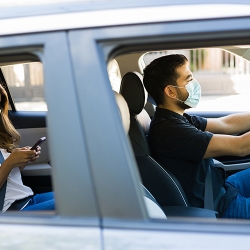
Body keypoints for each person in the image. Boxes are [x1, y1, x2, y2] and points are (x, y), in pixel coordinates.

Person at [143, 54, 250, 219]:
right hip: (220, 206)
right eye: (188, 79)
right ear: (170, 91)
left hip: (223, 188)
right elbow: (241, 147)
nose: (194, 84)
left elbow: (225, 124)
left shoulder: (176, 118)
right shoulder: (171, 132)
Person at [0, 84, 55, 212]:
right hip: (11, 210)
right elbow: (6, 166)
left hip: (26, 199)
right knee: (85, 202)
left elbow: (10, 178)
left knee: (79, 194)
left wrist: (23, 159)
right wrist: (10, 162)